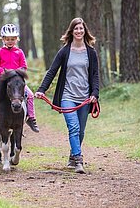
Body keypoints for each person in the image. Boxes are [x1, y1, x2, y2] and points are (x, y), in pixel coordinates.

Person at [35, 17, 99, 173]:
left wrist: (95, 93)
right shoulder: (64, 51)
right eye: (76, 28)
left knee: (81, 131)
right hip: (67, 96)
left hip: (84, 97)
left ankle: (72, 157)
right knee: (74, 128)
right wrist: (42, 89)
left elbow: (95, 75)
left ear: (85, 31)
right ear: (72, 31)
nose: (78, 31)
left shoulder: (91, 52)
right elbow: (52, 71)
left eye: (81, 28)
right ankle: (78, 160)